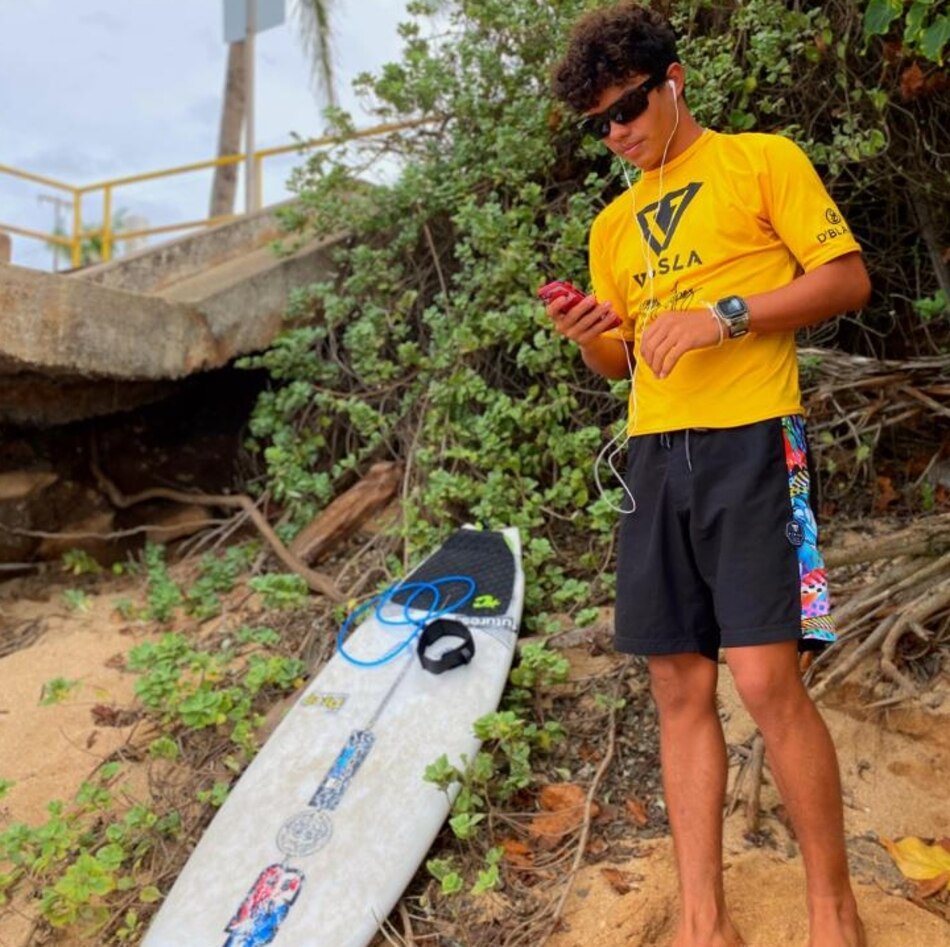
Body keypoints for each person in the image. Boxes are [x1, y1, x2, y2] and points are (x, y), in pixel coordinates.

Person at [543, 4, 871, 947]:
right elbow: (625, 363)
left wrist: (727, 313)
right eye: (599, 124)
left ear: (673, 79)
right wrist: (591, 338)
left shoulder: (760, 160)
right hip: (654, 458)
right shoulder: (612, 224)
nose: (618, 132)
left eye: (630, 107)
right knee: (677, 686)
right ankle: (702, 923)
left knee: (768, 682)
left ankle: (832, 911)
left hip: (754, 441)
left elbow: (846, 279)